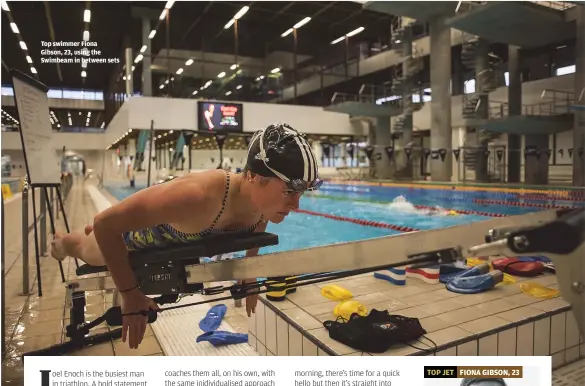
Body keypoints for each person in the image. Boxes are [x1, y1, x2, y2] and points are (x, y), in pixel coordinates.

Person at [50, 123, 322, 349]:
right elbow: (105, 224)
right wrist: (130, 294)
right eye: (289, 192)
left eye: (301, 193)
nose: (296, 205)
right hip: (129, 236)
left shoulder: (261, 205)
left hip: (173, 230)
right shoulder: (198, 196)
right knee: (88, 249)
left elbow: (258, 225)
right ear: (253, 176)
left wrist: (249, 270)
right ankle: (62, 242)